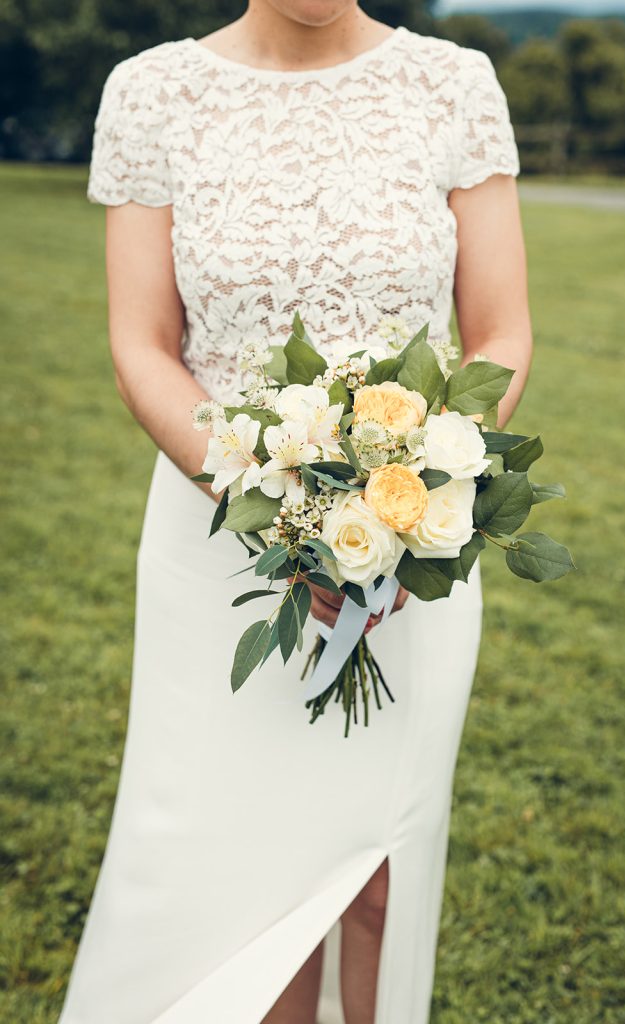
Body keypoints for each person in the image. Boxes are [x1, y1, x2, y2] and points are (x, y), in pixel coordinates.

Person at [57, 3, 532, 1022]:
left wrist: (408, 499)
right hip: (216, 540)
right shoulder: (152, 92)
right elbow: (143, 345)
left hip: (409, 548)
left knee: (373, 878)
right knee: (242, 885)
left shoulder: (453, 85)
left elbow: (498, 332)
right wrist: (284, 512)